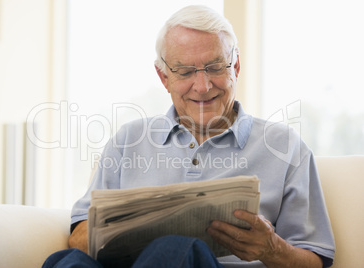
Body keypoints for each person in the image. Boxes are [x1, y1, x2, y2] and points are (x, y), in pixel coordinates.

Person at [45, 5, 335, 268]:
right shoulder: (128, 140)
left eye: (214, 67)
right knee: (66, 261)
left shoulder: (285, 146)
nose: (203, 85)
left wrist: (272, 249)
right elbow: (79, 237)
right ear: (164, 77)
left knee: (177, 250)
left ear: (235, 66)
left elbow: (315, 259)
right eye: (185, 72)